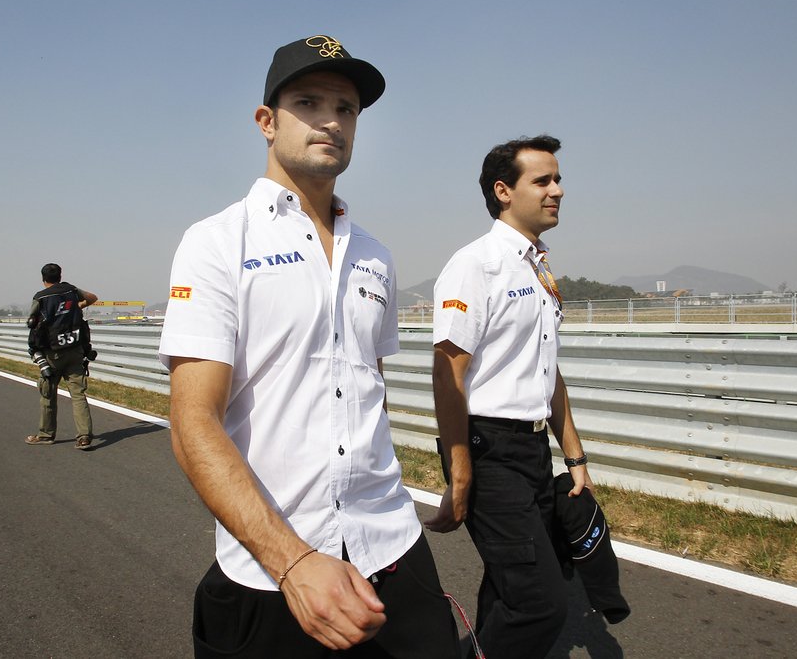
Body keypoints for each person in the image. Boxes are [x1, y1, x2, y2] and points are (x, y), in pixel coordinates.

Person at [159, 35, 461, 658]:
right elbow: (192, 424)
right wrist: (293, 563)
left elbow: (368, 387)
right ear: (266, 122)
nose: (331, 121)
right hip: (273, 568)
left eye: (346, 108)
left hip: (391, 543)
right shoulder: (217, 242)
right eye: (308, 103)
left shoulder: (375, 256)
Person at [425, 135, 595, 657]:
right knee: (539, 602)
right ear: (503, 191)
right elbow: (447, 374)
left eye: (558, 179)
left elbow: (547, 370)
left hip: (534, 449)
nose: (557, 190)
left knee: (509, 591)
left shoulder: (537, 266)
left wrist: (575, 457)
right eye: (542, 180)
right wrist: (460, 472)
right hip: (489, 449)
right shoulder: (476, 264)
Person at [24, 263, 98, 450]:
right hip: (75, 350)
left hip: (52, 354)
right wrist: (78, 306)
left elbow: (32, 322)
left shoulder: (41, 297)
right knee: (78, 395)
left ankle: (46, 435)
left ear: (43, 278)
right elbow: (92, 297)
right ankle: (84, 437)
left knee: (48, 395)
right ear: (60, 276)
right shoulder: (71, 290)